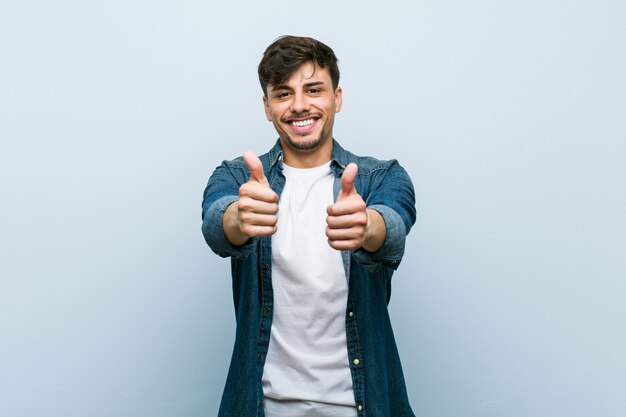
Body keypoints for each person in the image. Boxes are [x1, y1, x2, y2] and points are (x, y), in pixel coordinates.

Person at [201, 35, 417, 417]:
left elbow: (394, 226)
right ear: (267, 107)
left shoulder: (381, 177)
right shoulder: (237, 177)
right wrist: (239, 217)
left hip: (363, 407)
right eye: (283, 94)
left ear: (337, 97)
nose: (299, 105)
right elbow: (217, 225)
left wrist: (366, 226)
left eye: (313, 90)